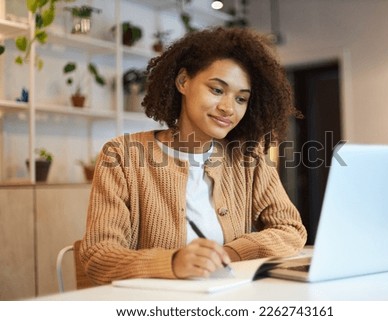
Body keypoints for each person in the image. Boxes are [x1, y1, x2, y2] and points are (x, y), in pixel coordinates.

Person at [79, 27, 307, 284]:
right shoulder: (122, 155)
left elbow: (291, 230)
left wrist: (232, 252)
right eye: (217, 90)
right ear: (183, 82)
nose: (228, 108)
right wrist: (173, 263)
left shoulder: (247, 158)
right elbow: (98, 256)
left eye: (241, 99)